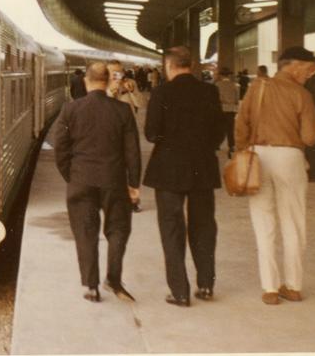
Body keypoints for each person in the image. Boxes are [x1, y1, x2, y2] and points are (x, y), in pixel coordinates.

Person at [236, 47, 315, 304]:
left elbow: (241, 123)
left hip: (259, 156)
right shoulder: (302, 94)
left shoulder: (257, 88)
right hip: (290, 158)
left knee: (264, 222)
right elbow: (310, 136)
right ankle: (293, 286)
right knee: (293, 222)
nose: (308, 75)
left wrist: (243, 151)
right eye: (307, 70)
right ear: (294, 66)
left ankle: (270, 289)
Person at [55, 62, 141, 303]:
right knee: (118, 230)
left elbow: (60, 148)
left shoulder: (70, 110)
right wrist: (133, 183)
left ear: (86, 81)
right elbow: (132, 151)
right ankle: (113, 279)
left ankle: (90, 286)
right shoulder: (122, 111)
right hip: (113, 181)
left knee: (85, 232)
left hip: (81, 181)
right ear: (107, 81)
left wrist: (71, 176)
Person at [144, 46, 224, 306]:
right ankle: (206, 285)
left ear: (169, 65)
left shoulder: (162, 92)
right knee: (204, 226)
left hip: (168, 169)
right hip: (202, 167)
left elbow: (151, 133)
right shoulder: (209, 91)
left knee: (171, 228)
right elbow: (219, 133)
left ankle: (179, 291)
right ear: (191, 65)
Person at [214, 67, 240, 158]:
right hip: (231, 109)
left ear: (221, 75)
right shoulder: (234, 85)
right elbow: (237, 99)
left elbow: (216, 99)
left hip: (221, 109)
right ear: (229, 75)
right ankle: (231, 145)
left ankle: (217, 144)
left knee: (219, 127)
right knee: (230, 128)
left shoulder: (217, 85)